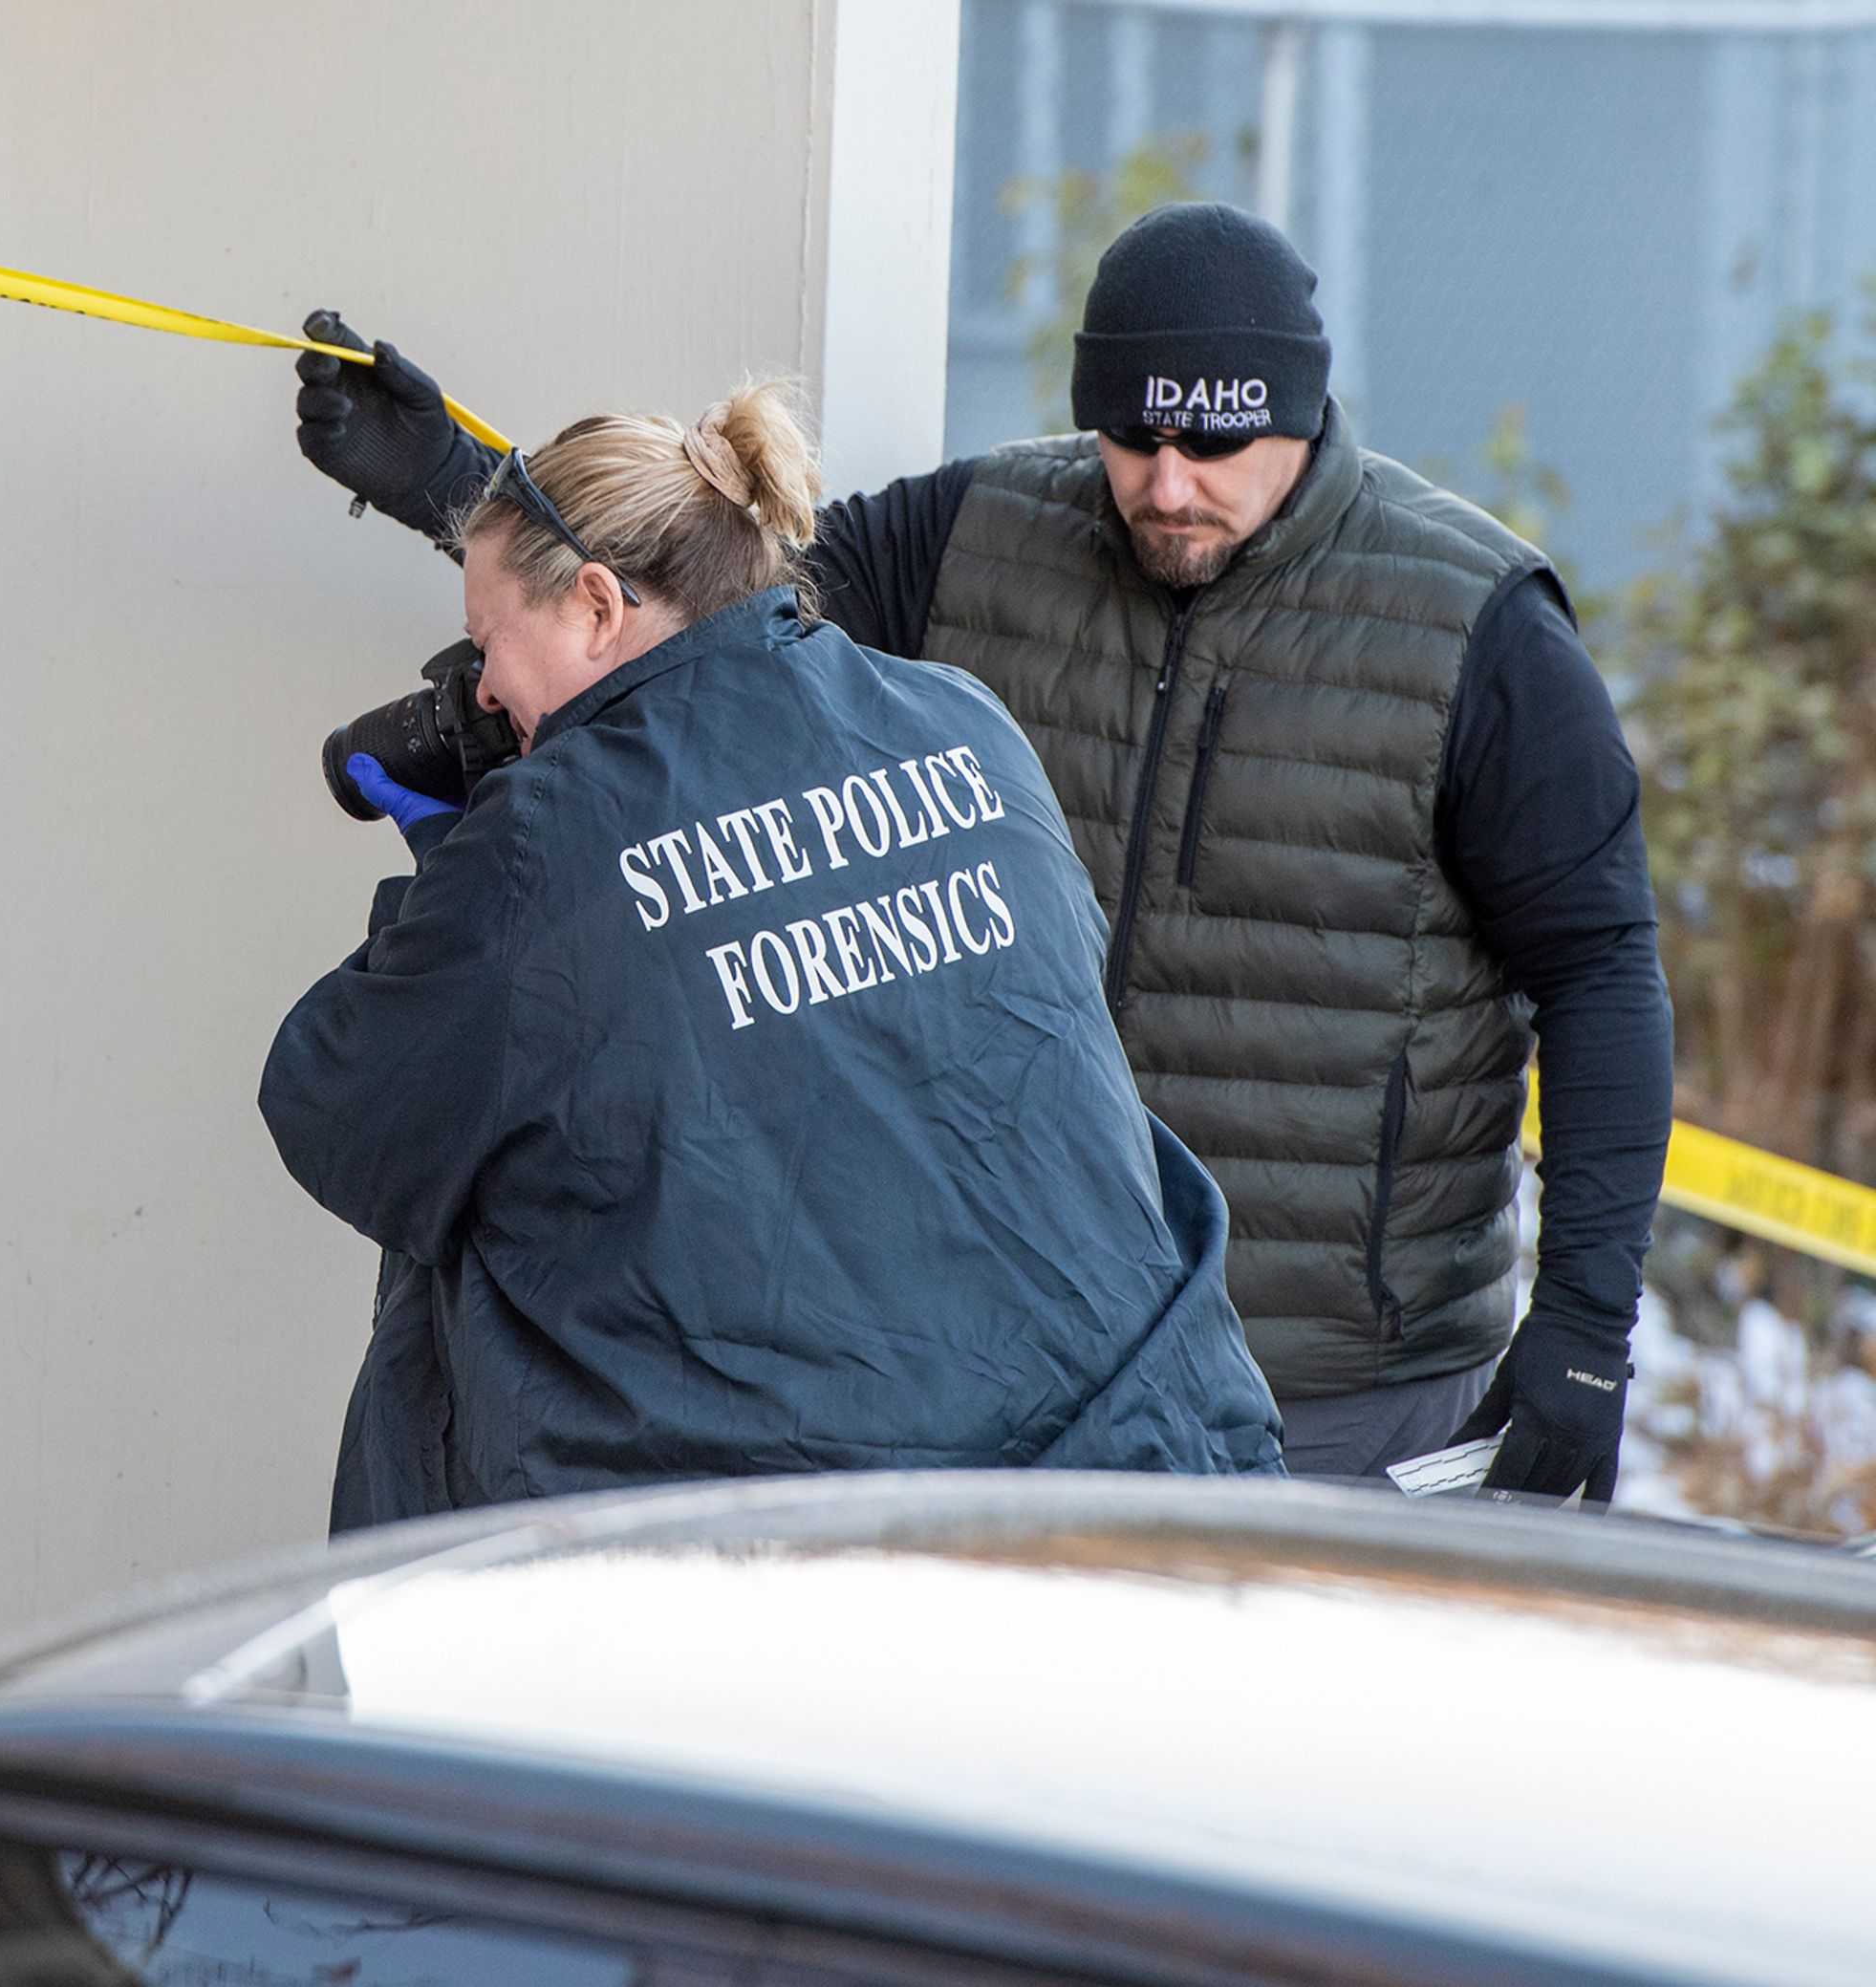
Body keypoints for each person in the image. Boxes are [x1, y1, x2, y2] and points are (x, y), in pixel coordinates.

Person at [290, 204, 1673, 1498]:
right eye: (1133, 440)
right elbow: (702, 614)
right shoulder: (993, 534)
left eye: (1219, 447)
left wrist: (1587, 1321)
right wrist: (473, 490)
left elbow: (1604, 969)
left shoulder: (1470, 628)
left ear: (1307, 416)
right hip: (1029, 1355)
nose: (1170, 484)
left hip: (1340, 1377)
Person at [262, 387, 1283, 1530]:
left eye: (493, 640)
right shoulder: (960, 717)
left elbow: (335, 1102)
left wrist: (451, 882)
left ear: (598, 604)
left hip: (777, 1563)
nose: (486, 688)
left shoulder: (549, 841)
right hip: (1139, 1474)